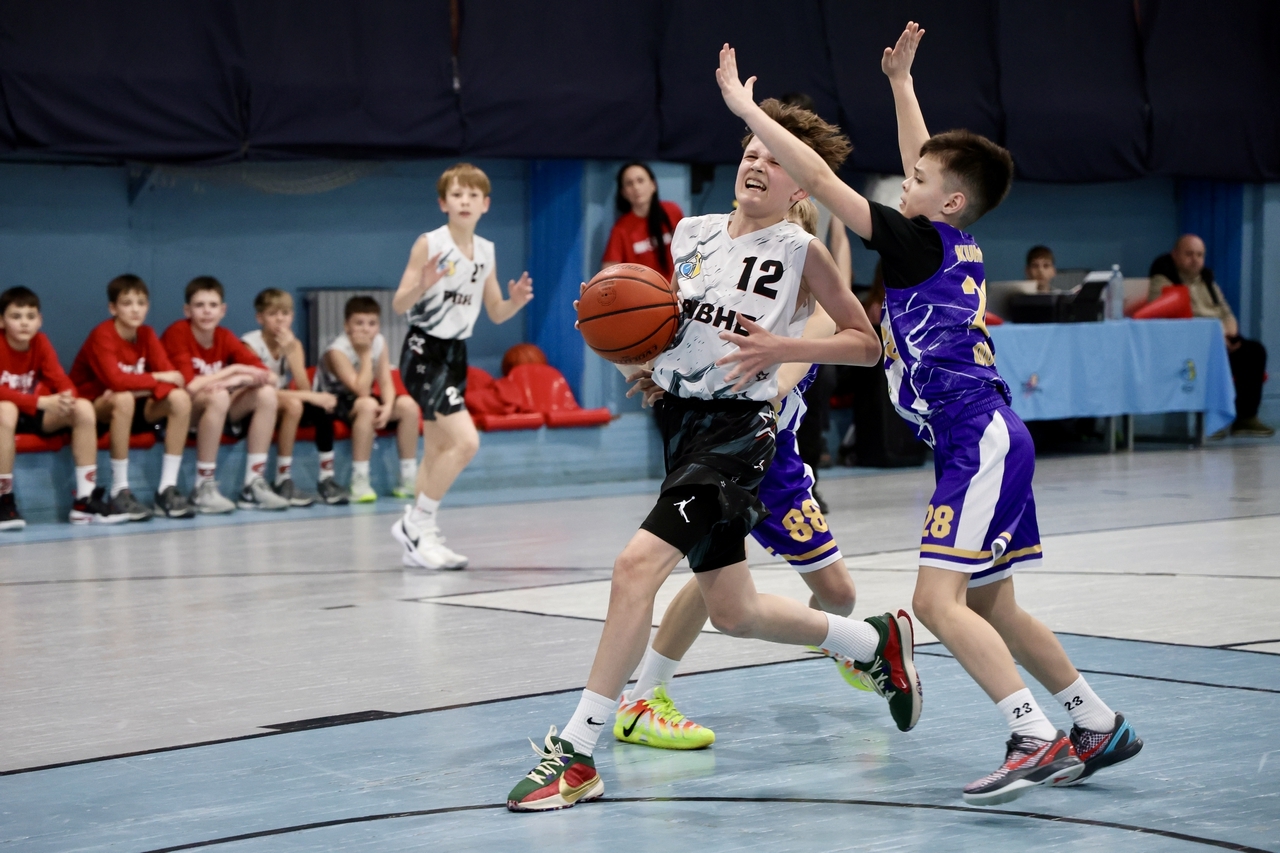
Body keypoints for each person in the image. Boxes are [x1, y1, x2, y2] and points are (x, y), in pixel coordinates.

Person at [715, 26, 1143, 805]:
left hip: (975, 437)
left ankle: (1030, 732)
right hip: (987, 437)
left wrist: (752, 115)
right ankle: (1095, 720)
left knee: (935, 603)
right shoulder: (952, 237)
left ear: (944, 201)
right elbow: (931, 165)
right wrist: (902, 85)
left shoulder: (914, 241)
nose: (901, 183)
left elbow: (820, 176)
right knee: (991, 602)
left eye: (913, 180)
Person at [507, 99, 917, 813]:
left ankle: (576, 751)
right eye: (752, 152)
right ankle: (870, 641)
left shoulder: (802, 250)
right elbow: (675, 327)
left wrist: (782, 347)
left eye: (776, 159)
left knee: (635, 567)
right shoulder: (691, 233)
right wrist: (642, 356)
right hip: (681, 424)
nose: (758, 164)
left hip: (740, 434)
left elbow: (865, 344)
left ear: (801, 184)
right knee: (732, 609)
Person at [614, 200, 872, 752]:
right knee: (713, 579)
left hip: (776, 463)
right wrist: (664, 371)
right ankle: (644, 697)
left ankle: (848, 642)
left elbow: (779, 384)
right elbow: (686, 346)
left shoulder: (817, 313)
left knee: (836, 594)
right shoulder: (732, 292)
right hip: (736, 451)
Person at [390, 163, 533, 570]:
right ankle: (416, 524)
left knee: (437, 448)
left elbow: (496, 312)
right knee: (466, 442)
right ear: (443, 203)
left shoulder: (486, 250)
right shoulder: (429, 244)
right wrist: (422, 284)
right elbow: (399, 304)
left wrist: (515, 302)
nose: (465, 201)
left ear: (485, 204)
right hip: (423, 351)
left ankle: (421, 538)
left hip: (455, 354)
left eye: (473, 195)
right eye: (457, 194)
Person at [70, 275, 195, 520]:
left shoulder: (147, 334)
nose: (135, 309)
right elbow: (115, 381)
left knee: (180, 399)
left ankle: (167, 488)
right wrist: (155, 377)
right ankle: (120, 489)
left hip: (133, 403)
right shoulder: (102, 335)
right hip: (95, 408)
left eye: (141, 303)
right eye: (127, 303)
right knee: (123, 398)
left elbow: (175, 379)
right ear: (113, 308)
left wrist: (142, 387)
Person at [162, 277, 287, 513]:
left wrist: (239, 379)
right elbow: (190, 386)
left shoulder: (224, 336)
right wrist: (233, 371)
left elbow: (271, 377)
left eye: (213, 305)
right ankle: (203, 486)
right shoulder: (178, 332)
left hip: (216, 410)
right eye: (199, 305)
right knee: (219, 395)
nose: (207, 311)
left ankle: (253, 484)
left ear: (223, 310)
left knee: (267, 394)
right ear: (187, 310)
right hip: (180, 413)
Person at [0, 287, 103, 528]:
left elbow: (60, 378)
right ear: (2, 321)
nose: (24, 323)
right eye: (16, 316)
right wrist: (39, 402)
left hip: (30, 411)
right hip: (7, 414)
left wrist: (67, 398)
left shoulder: (41, 342)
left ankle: (85, 498)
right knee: (6, 409)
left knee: (83, 408)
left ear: (40, 320)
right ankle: (3, 499)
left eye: (30, 316)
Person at [1150, 234, 1272, 437]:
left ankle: (1245, 418)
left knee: (1253, 351)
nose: (1195, 259)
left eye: (1200, 255)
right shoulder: (1163, 281)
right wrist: (1215, 338)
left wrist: (1231, 334)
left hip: (1219, 338)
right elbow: (1169, 320)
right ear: (1175, 255)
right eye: (1189, 254)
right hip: (1190, 345)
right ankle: (1212, 423)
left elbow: (1226, 313)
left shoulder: (1207, 281)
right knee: (1212, 356)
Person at [242, 289, 348, 506]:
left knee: (320, 408)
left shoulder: (294, 344)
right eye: (273, 314)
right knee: (295, 405)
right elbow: (262, 391)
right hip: (252, 404)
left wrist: (291, 353)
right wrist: (312, 396)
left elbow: (304, 387)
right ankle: (282, 478)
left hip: (281, 402)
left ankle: (326, 477)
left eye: (285, 313)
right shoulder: (250, 345)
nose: (280, 319)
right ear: (260, 318)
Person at [313, 296, 421, 504]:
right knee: (368, 404)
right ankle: (359, 479)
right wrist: (365, 355)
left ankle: (408, 477)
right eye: (359, 323)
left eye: (372, 324)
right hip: (331, 402)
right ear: (347, 326)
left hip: (361, 400)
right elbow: (360, 390)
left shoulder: (379, 341)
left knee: (408, 405)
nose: (366, 329)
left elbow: (385, 381)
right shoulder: (337, 351)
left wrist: (388, 407)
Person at [601, 162, 684, 277]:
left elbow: (690, 249)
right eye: (629, 183)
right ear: (623, 193)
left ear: (653, 185)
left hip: (678, 285)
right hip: (642, 288)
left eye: (640, 180)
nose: (636, 187)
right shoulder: (620, 229)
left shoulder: (672, 211)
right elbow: (608, 272)